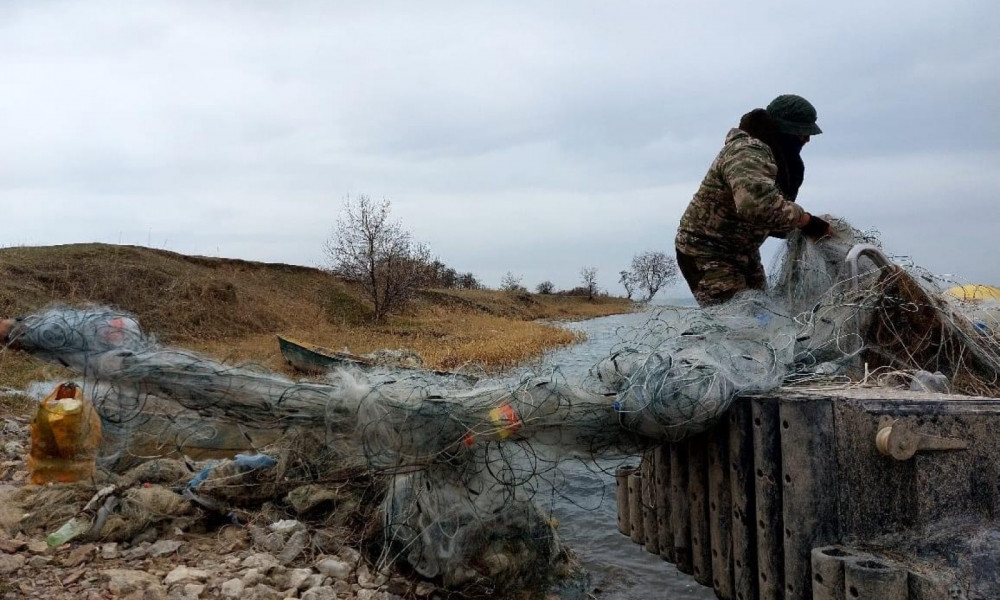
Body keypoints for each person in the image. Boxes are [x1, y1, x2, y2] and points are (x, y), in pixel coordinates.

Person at [674, 94, 831, 306]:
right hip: (706, 252)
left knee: (766, 317)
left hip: (743, 252)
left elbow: (775, 224)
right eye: (801, 132)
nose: (807, 139)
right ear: (783, 129)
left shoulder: (780, 161)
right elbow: (755, 206)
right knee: (739, 325)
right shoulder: (746, 151)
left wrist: (802, 228)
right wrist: (806, 221)